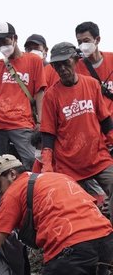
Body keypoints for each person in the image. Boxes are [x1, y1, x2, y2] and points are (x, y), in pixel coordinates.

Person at [40, 42, 113, 219]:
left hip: (97, 157)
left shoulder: (92, 85)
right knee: (75, 208)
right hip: (69, 164)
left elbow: (105, 120)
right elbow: (48, 134)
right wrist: (47, 165)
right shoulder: (51, 95)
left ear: (76, 60)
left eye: (66, 63)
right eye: (57, 65)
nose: (62, 68)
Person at [0, 21, 46, 168]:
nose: (2, 46)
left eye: (4, 41)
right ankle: (3, 192)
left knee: (31, 161)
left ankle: (33, 190)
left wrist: (40, 122)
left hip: (21, 122)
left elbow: (39, 93)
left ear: (14, 38)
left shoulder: (34, 61)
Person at [76, 21, 113, 115]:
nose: (82, 45)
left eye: (86, 41)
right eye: (79, 42)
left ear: (97, 40)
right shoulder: (76, 68)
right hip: (94, 125)